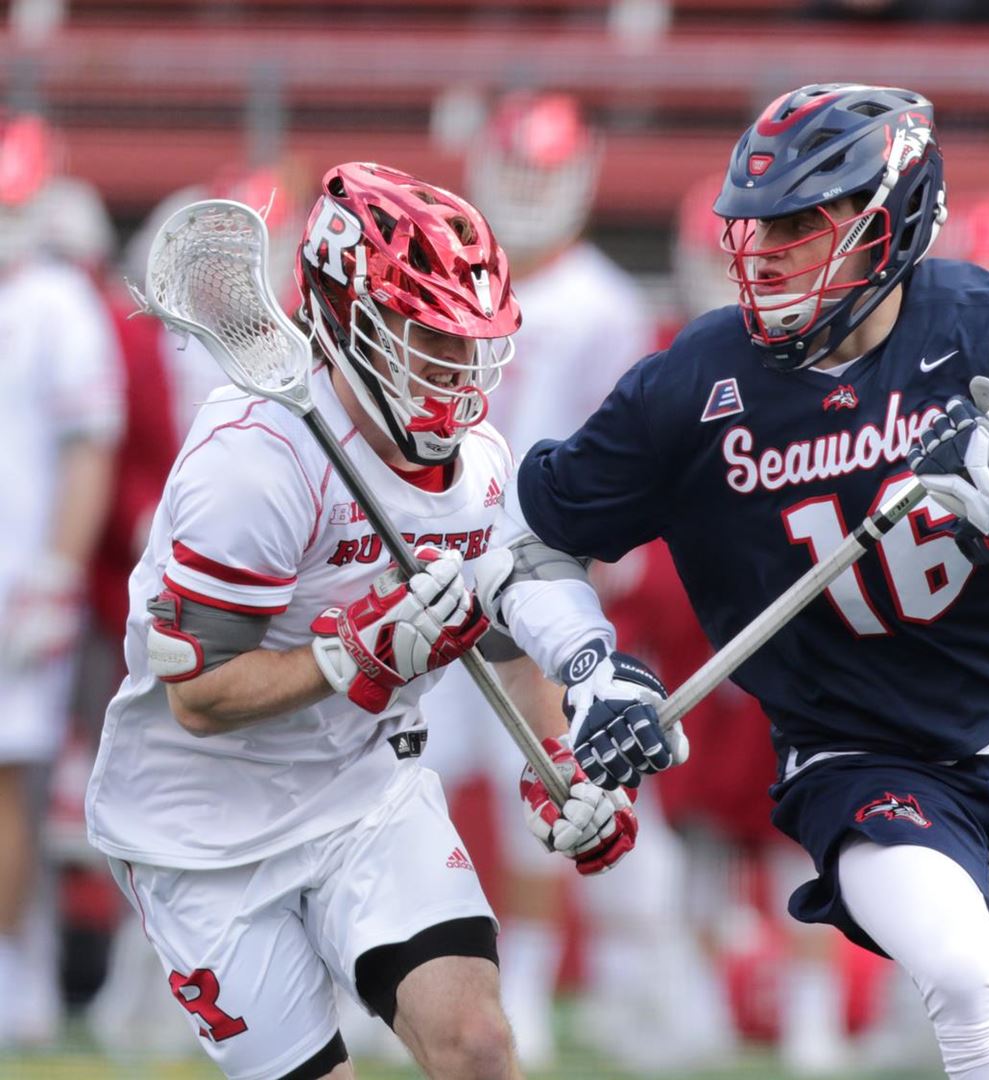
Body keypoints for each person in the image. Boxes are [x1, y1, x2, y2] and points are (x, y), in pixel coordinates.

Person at [502, 82, 989, 1080]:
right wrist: (592, 673)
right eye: (758, 225)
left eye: (802, 223)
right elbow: (531, 547)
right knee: (963, 983)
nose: (769, 250)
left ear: (895, 220)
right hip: (855, 754)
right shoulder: (697, 383)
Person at [84, 162, 644, 1079]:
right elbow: (197, 696)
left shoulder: (480, 464)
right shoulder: (254, 460)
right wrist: (350, 655)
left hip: (364, 787)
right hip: (199, 825)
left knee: (478, 1048)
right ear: (352, 322)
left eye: (470, 344)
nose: (460, 374)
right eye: (430, 342)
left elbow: (502, 627)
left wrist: (555, 764)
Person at [419, 90, 725, 1072]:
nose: (524, 194)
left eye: (541, 174)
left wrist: (605, 555)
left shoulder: (604, 301)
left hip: (546, 569)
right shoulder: (450, 281)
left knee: (546, 779)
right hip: (438, 558)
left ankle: (542, 987)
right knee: (410, 774)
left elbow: (619, 446)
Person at [0, 111, 125, 1048]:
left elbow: (91, 451)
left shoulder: (55, 299)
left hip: (14, 574)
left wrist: (52, 573)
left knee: (10, 783)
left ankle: (13, 975)